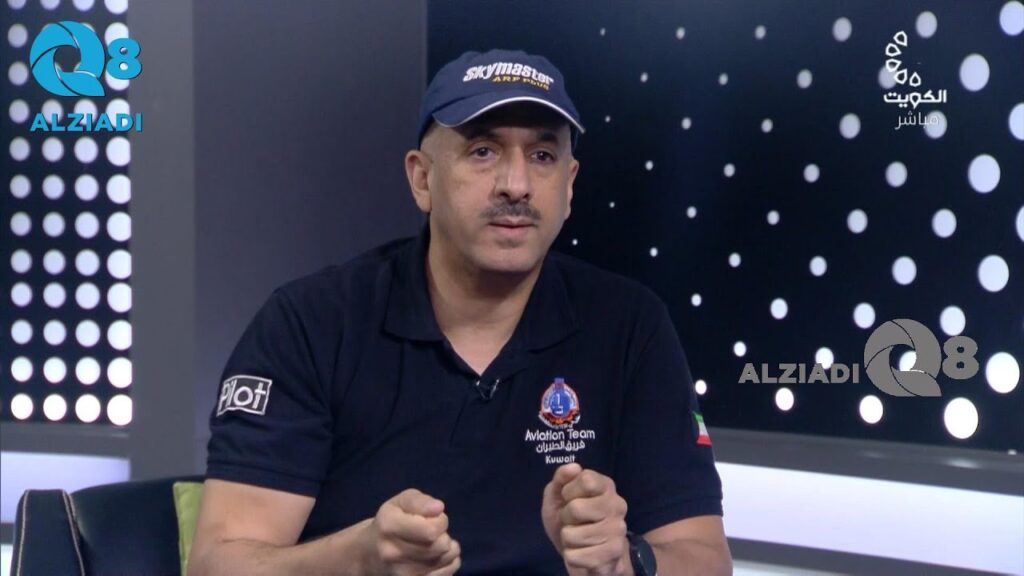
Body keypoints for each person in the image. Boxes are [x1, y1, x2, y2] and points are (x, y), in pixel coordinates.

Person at [190, 49, 732, 576]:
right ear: (421, 179)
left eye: (542, 156)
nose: (516, 185)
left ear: (569, 186)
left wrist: (626, 563)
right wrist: (360, 560)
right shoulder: (309, 324)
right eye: (483, 151)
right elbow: (217, 564)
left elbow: (705, 558)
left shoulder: (631, 326)